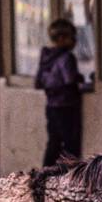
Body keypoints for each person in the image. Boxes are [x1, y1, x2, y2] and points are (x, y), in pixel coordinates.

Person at [35, 18, 82, 166]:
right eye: (72, 37)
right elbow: (70, 80)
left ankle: (44, 175)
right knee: (70, 144)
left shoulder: (46, 56)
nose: (74, 41)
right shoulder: (67, 58)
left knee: (54, 143)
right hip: (67, 107)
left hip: (51, 106)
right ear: (61, 38)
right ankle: (69, 177)